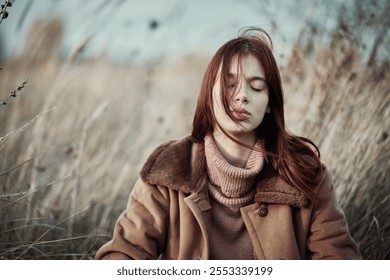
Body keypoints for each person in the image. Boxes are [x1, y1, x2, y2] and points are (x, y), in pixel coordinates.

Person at [95, 27, 361, 260]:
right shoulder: (167, 171)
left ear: (270, 104)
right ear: (208, 95)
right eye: (230, 84)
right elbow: (124, 255)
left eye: (256, 87)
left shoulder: (305, 174)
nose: (242, 96)